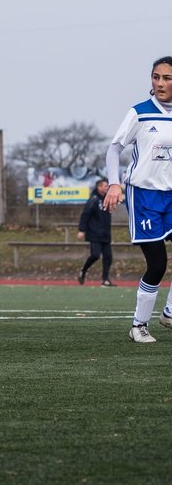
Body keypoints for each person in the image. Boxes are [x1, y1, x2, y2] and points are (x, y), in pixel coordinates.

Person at [103, 56, 172, 343]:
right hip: (144, 196)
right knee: (157, 264)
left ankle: (169, 314)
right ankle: (138, 326)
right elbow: (114, 149)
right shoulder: (140, 113)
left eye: (167, 78)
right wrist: (114, 184)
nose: (160, 83)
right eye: (156, 77)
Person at [77, 179, 114, 287]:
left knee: (108, 256)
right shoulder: (93, 199)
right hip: (94, 233)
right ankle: (83, 270)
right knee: (95, 255)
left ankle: (105, 280)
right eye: (105, 186)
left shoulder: (107, 199)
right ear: (99, 187)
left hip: (105, 233)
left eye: (108, 186)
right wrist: (81, 230)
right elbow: (85, 215)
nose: (107, 188)